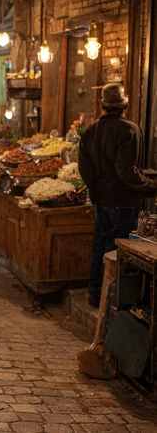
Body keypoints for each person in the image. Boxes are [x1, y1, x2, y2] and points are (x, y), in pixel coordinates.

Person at [79, 83, 157, 308]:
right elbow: (126, 171)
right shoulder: (129, 130)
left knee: (100, 243)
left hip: (101, 199)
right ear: (125, 105)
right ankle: (112, 301)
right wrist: (150, 187)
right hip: (123, 200)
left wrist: (95, 190)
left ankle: (95, 294)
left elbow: (85, 168)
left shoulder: (91, 130)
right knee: (116, 250)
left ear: (102, 105)